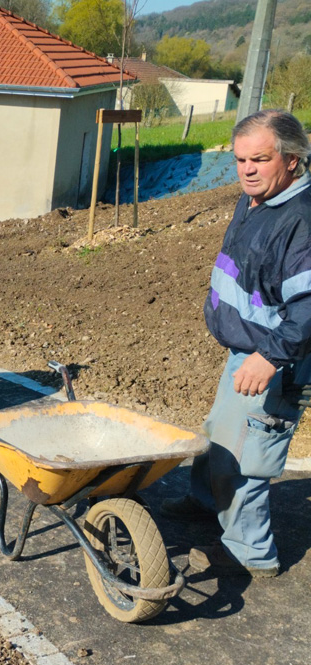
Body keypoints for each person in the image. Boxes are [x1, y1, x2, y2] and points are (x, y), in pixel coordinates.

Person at [160, 110, 311, 578]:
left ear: (292, 159)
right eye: (241, 159)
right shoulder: (259, 198)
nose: (247, 169)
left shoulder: (301, 220)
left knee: (247, 457)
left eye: (260, 159)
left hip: (277, 358)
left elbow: (308, 308)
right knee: (220, 433)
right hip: (248, 349)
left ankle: (251, 553)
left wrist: (269, 357)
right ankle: (207, 501)